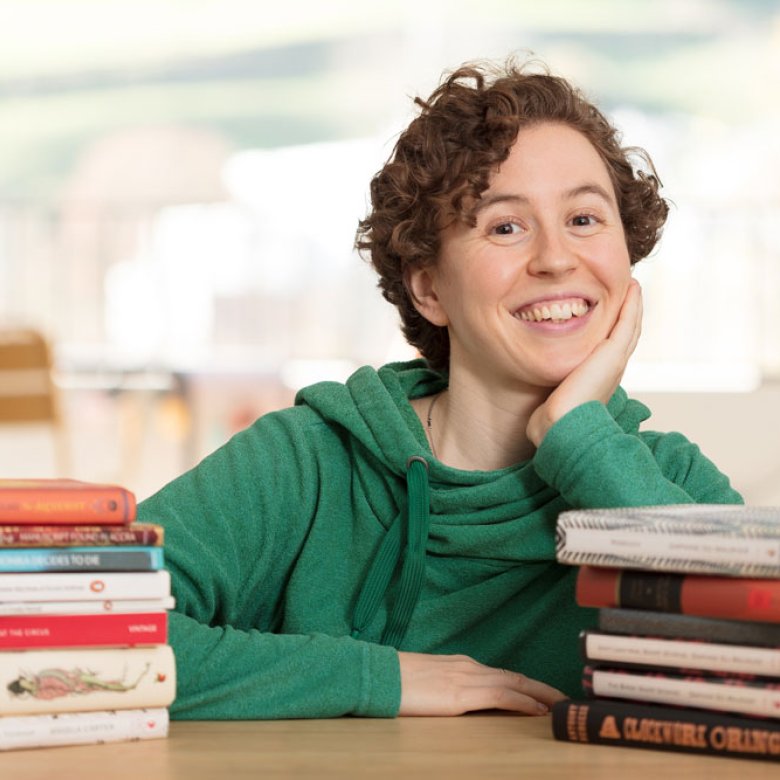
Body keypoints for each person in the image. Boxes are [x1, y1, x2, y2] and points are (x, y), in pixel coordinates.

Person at [137, 58, 742, 720]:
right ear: (430, 288)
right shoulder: (306, 466)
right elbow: (79, 637)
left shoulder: (665, 483)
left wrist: (580, 435)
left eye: (586, 219)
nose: (556, 258)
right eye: (505, 226)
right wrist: (375, 680)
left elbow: (757, 663)